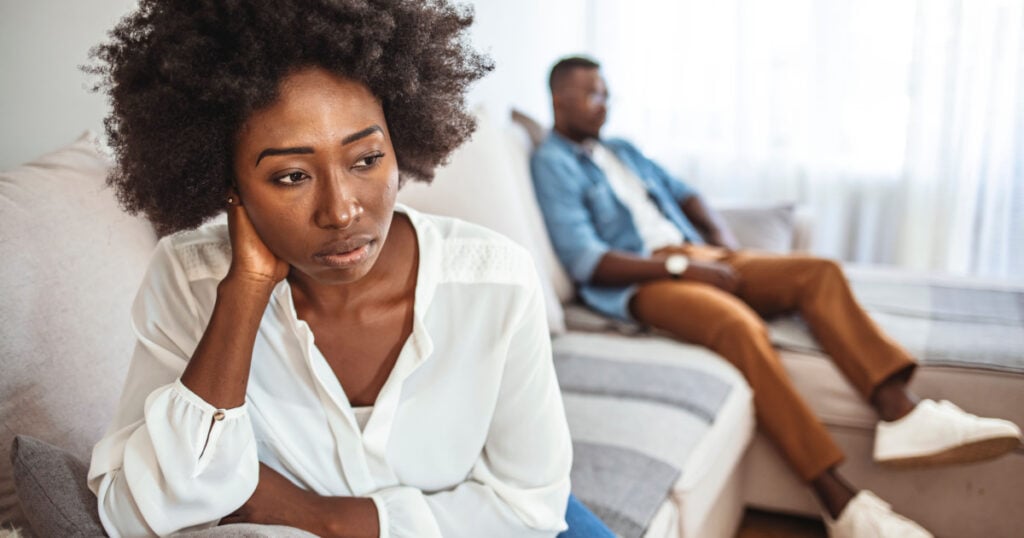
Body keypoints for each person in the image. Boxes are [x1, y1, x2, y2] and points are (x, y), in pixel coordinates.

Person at [85, 3, 616, 537]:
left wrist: (321, 518)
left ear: (400, 143)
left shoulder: (496, 281)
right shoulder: (188, 280)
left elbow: (529, 510)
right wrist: (244, 293)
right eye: (292, 175)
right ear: (229, 182)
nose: (340, 211)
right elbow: (136, 514)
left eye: (365, 160)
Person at [530, 56, 1022, 538]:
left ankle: (902, 411)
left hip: (697, 254)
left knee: (817, 273)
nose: (605, 104)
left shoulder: (622, 149)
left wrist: (722, 244)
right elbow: (585, 260)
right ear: (560, 98)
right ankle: (842, 505)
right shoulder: (552, 162)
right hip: (644, 280)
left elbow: (687, 193)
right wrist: (683, 268)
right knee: (738, 325)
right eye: (594, 94)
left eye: (607, 93)